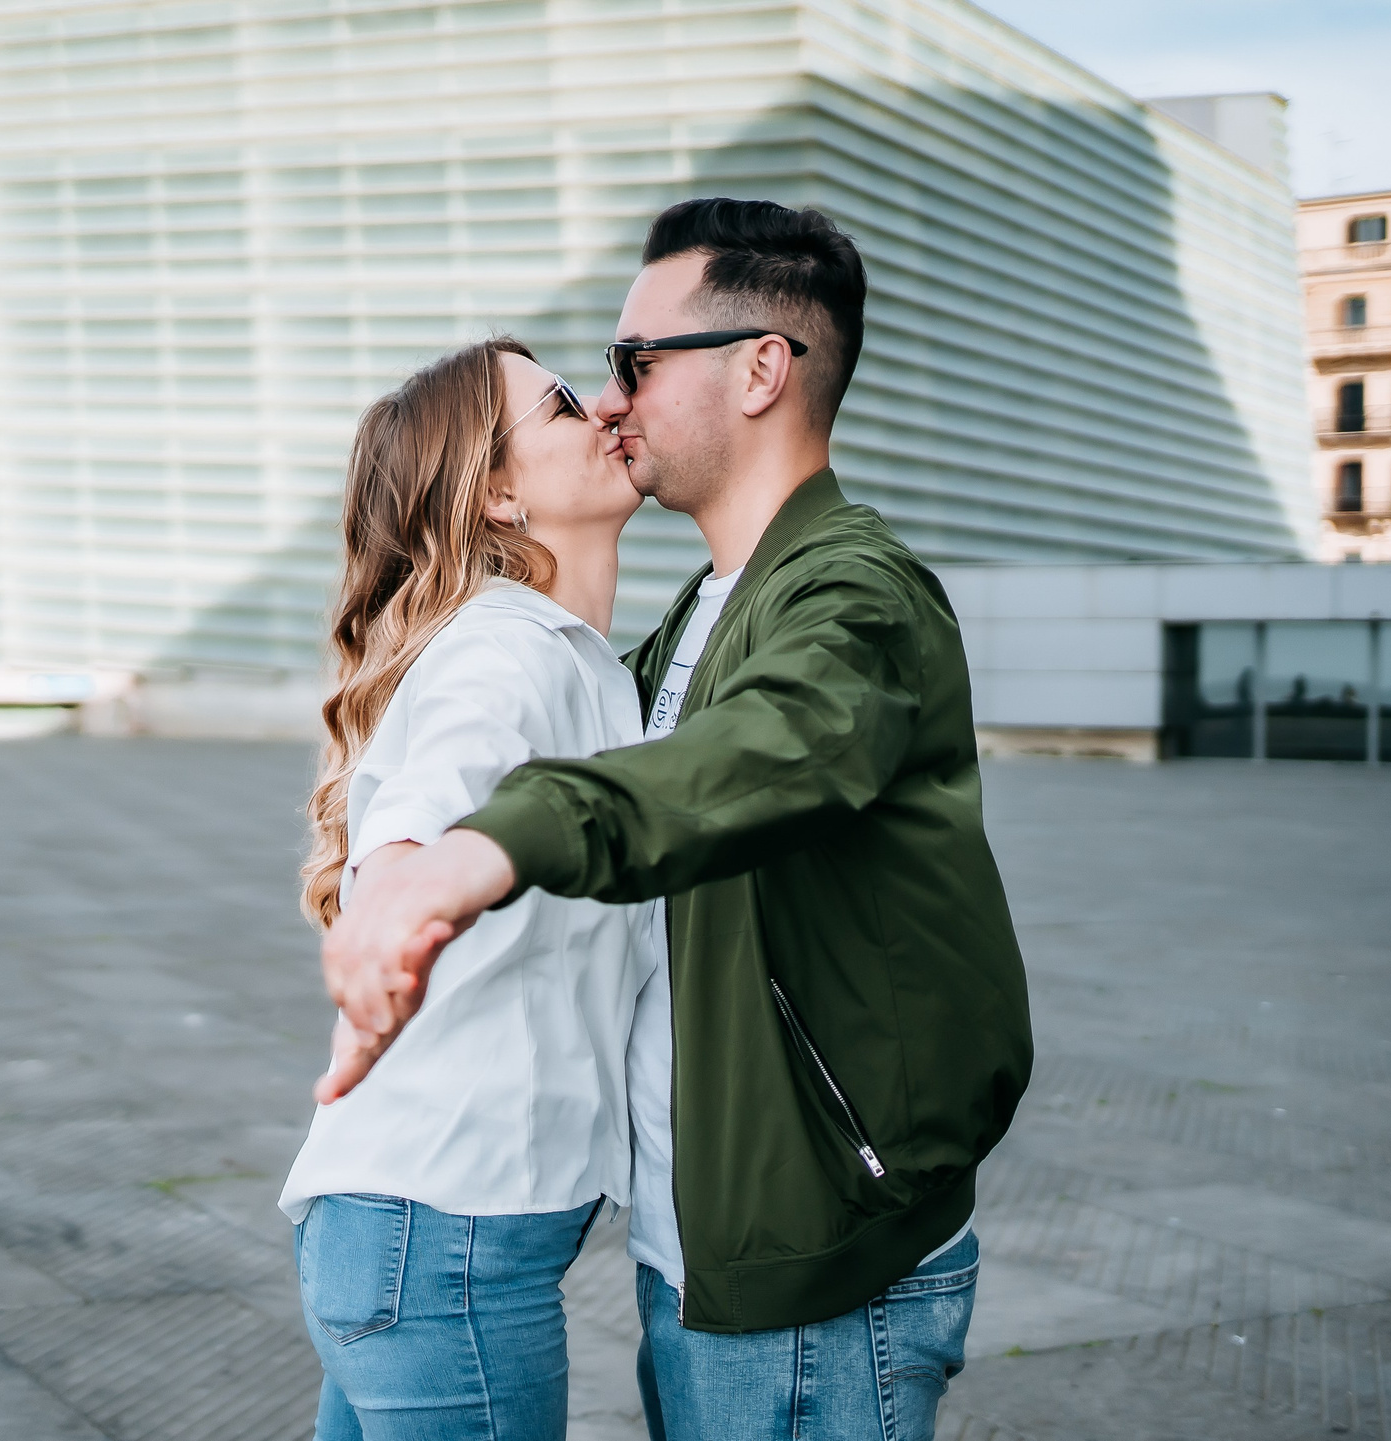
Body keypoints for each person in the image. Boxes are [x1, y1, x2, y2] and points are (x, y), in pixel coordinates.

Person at [318, 199, 1034, 1441]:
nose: (611, 399)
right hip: (704, 1245)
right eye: (597, 376)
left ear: (762, 368)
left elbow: (773, 749)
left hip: (815, 1257)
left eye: (634, 362)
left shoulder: (851, 589)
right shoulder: (680, 626)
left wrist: (479, 849)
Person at [282, 335, 658, 1440]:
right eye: (556, 407)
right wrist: (399, 891)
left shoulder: (578, 659)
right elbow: (424, 813)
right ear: (497, 493)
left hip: (404, 1239)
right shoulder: (509, 654)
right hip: (439, 1248)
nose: (600, 405)